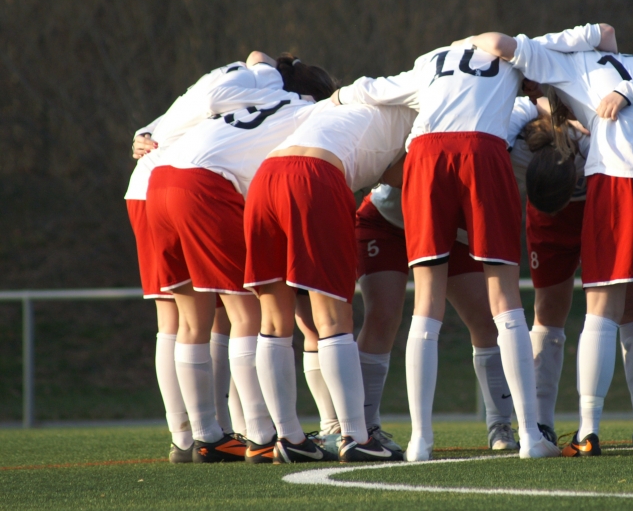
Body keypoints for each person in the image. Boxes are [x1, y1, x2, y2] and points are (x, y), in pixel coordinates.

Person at [333, 29, 600, 461]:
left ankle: (421, 440)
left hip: (427, 153)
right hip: (479, 150)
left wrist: (335, 99)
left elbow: (373, 90)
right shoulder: (514, 59)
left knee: (426, 304)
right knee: (505, 298)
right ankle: (530, 436)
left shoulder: (431, 59)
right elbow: (586, 39)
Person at [472, 25, 633, 456]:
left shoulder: (569, 63)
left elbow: (502, 44)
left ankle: (588, 430)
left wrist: (620, 89)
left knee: (603, 308)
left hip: (620, 176)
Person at [147, 53, 333, 463]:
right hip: (202, 185)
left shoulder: (254, 98)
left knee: (191, 320)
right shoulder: (310, 112)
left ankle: (204, 437)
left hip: (157, 180)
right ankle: (263, 435)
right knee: (248, 313)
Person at [126, 57, 289, 462]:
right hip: (187, 182)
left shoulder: (220, 80)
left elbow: (184, 108)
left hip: (150, 184)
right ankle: (254, 433)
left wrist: (148, 131)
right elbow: (250, 67)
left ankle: (192, 436)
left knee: (182, 319)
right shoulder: (262, 86)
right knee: (239, 311)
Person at [244, 93, 420, 462]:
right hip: (315, 178)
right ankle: (356, 436)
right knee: (333, 318)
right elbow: (402, 174)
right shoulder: (421, 113)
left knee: (274, 321)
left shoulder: (342, 105)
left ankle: (289, 438)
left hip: (265, 177)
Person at [513, 97, 633, 447]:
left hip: (603, 210)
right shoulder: (519, 148)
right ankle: (541, 421)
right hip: (548, 223)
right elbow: (531, 103)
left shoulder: (589, 140)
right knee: (548, 309)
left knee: (630, 302)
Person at [352, 157, 519, 452]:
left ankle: (499, 424)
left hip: (449, 231)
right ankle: (362, 428)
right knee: (382, 316)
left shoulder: (502, 141)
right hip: (388, 221)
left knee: (484, 318)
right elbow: (383, 169)